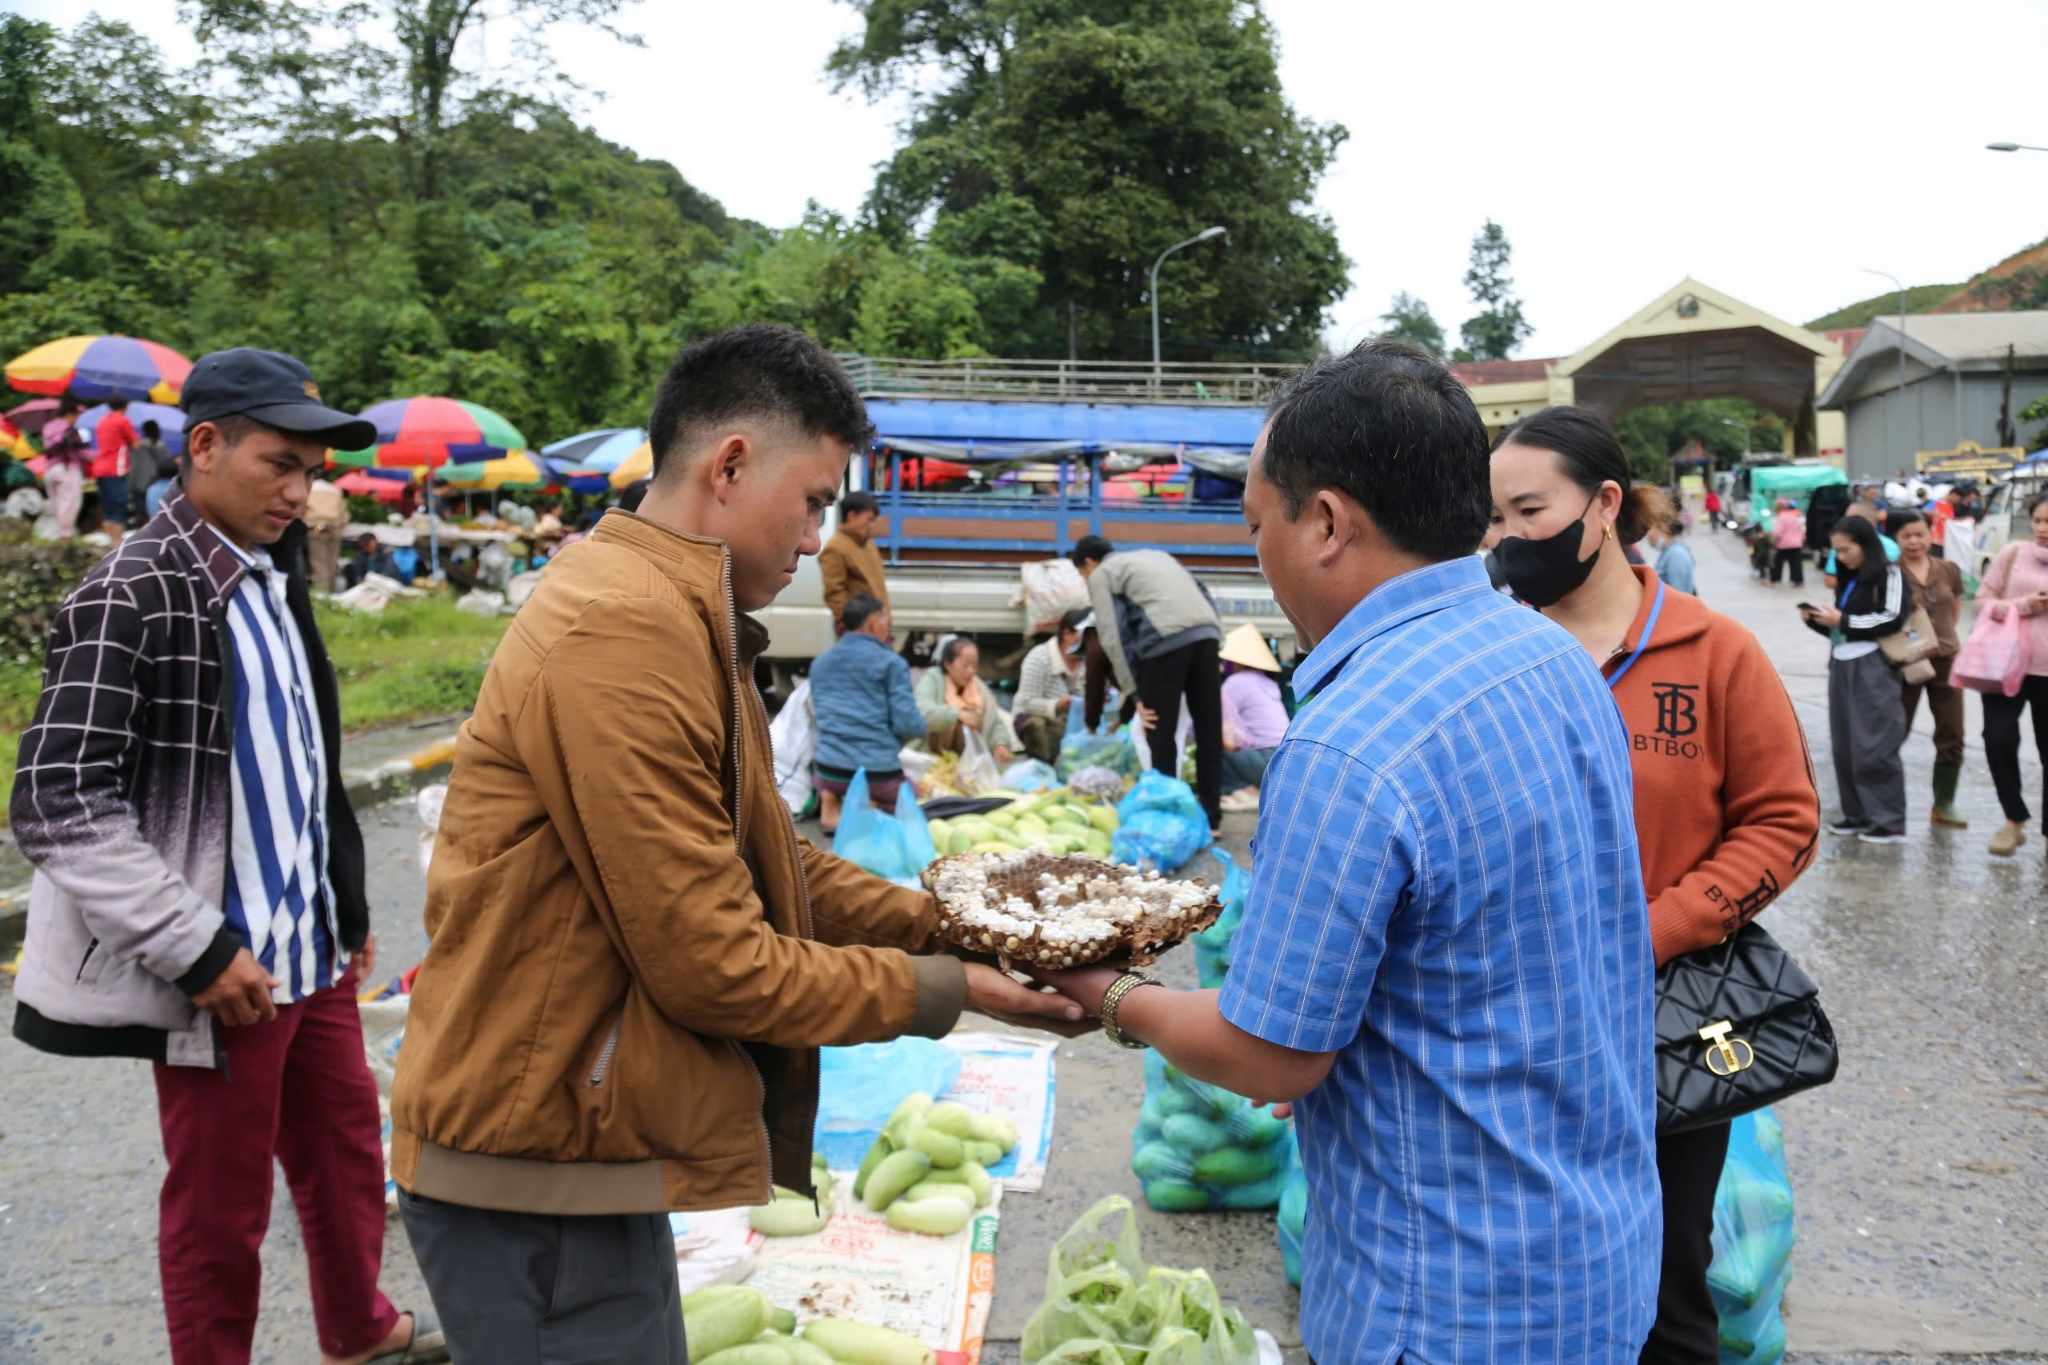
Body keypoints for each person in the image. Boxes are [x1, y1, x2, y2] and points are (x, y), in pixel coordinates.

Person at [388, 325, 1084, 1363]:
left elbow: (770, 863)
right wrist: (956, 987)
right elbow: (714, 965)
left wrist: (963, 921)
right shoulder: (623, 632)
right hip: (528, 1162)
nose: (816, 541)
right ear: (727, 467)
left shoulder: (670, 610)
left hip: (573, 1136)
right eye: (809, 503)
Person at [1039, 341, 1660, 1365]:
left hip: (1444, 1304)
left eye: (1254, 525)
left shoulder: (1345, 742)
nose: (1256, 557)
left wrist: (1106, 991)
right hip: (1592, 1266)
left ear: (1324, 522)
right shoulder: (1549, 656)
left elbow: (1270, 1053)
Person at [8, 348, 442, 1365]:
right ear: (203, 446)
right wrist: (196, 950)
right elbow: (57, 797)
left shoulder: (270, 580)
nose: (299, 493)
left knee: (342, 1155)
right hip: (222, 970)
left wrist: (344, 907)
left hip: (310, 952)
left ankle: (358, 1329)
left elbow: (302, 764)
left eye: (310, 472)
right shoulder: (135, 591)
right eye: (277, 464)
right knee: (220, 1208)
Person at [1490, 405, 1820, 1364]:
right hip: (1511, 1028)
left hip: (1660, 1028)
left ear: (1602, 506)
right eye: (1493, 519)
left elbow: (1784, 822)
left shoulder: (1715, 653)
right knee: (1526, 1269)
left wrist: (1655, 929)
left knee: (1670, 1286)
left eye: (1527, 510)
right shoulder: (1493, 655)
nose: (1508, 539)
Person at [1070, 534, 1224, 831]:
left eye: (1081, 574)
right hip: (1206, 635)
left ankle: (1166, 817)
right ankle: (1211, 818)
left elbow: (1111, 635)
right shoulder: (1157, 555)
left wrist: (1135, 693)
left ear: (1088, 563)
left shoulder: (1102, 574)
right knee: (1208, 730)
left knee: (1159, 730)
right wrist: (1217, 637)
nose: (1085, 580)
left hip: (1163, 644)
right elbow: (1201, 590)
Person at [1802, 514, 1912, 844]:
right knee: (1845, 745)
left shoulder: (1890, 573)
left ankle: (1888, 820)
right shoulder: (1850, 578)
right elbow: (1844, 626)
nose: (1841, 557)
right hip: (1841, 662)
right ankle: (1856, 813)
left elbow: (1892, 618)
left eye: (1846, 550)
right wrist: (1818, 620)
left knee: (1875, 744)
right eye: (1836, 551)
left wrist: (1843, 619)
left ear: (1865, 545)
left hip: (1872, 665)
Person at [809, 592, 925, 833]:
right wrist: (920, 729)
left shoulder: (820, 662)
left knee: (839, 772)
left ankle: (831, 801)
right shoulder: (891, 663)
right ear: (873, 622)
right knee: (915, 796)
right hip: (876, 774)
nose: (888, 627)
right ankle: (869, 809)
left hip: (828, 770)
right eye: (886, 620)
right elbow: (908, 724)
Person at [1976, 493, 2048, 857]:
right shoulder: (2013, 554)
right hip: (2004, 665)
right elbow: (1982, 603)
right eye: (2038, 520)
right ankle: (2013, 819)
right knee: (1997, 738)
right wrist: (2022, 605)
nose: (2042, 529)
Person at [1892, 510, 1969, 830]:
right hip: (1906, 663)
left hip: (1947, 661)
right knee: (1894, 731)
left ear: (1930, 534)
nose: (1914, 541)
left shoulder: (1947, 569)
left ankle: (1944, 803)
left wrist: (1943, 636)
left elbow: (1954, 608)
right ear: (1896, 539)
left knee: (1952, 732)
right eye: (1906, 536)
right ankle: (1882, 798)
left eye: (1920, 534)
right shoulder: (1890, 573)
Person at [1216, 622, 1287, 812]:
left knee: (1212, 752)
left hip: (1263, 759)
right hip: (1284, 757)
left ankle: (1240, 791)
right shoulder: (1269, 683)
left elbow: (1214, 717)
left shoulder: (1236, 682)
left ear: (1236, 660)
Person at [915, 635, 1016, 765]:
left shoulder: (978, 686)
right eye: (966, 665)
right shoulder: (933, 679)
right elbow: (921, 712)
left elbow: (994, 722)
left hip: (972, 763)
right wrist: (958, 715)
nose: (971, 671)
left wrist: (1000, 745)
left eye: (974, 665)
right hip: (933, 760)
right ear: (947, 664)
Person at [1012, 606, 1088, 764]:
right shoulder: (1039, 658)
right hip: (1039, 718)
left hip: (1073, 720)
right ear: (1067, 634)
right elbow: (1026, 703)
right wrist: (1057, 705)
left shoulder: (1088, 661)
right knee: (1036, 725)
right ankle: (1043, 764)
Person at [819, 489, 888, 632]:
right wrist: (852, 625)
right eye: (869, 519)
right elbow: (834, 594)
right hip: (857, 629)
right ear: (852, 516)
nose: (872, 525)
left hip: (878, 625)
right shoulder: (835, 548)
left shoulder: (868, 544)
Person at [91, 395, 139, 543]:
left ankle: (111, 541)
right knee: (119, 505)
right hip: (115, 469)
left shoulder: (101, 422)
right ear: (126, 407)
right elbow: (135, 444)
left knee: (108, 506)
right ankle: (116, 544)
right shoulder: (122, 421)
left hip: (99, 468)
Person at [39, 396, 89, 537]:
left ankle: (56, 536)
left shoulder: (47, 427)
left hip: (49, 469)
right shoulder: (71, 430)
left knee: (56, 504)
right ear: (70, 414)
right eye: (76, 416)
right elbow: (80, 452)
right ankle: (65, 537)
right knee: (70, 503)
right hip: (68, 469)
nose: (77, 419)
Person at [1821, 498, 1898, 585]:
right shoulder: (1893, 546)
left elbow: (1830, 580)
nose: (1841, 557)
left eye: (1850, 520)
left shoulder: (1842, 544)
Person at [304, 474, 347, 591]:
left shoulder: (310, 488)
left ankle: (322, 593)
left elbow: (303, 509)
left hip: (316, 528)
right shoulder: (336, 490)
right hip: (335, 528)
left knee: (318, 563)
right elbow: (344, 515)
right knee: (332, 563)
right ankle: (332, 592)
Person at [130, 418, 174, 523]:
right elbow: (166, 464)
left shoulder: (136, 445)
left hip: (138, 482)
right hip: (154, 482)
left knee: (141, 513)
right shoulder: (161, 445)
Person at [1649, 513, 1698, 595]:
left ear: (1664, 529)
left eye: (1651, 529)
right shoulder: (1669, 551)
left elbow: (1679, 594)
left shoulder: (1675, 555)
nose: (1649, 535)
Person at [1771, 497, 1805, 585]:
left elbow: (1777, 532)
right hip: (1796, 544)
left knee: (1778, 563)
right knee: (1796, 564)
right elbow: (1802, 529)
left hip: (1783, 544)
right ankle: (1798, 580)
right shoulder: (1795, 516)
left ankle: (1775, 579)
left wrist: (1774, 539)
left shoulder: (1781, 517)